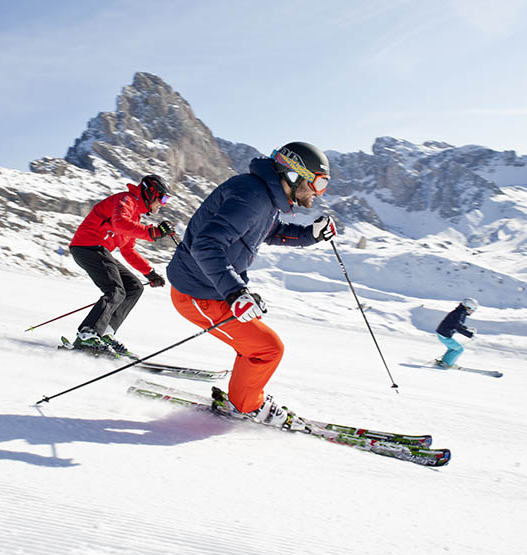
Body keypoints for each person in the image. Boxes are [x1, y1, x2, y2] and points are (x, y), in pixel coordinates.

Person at [166, 142, 337, 429]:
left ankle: (243, 398)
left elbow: (271, 232)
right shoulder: (252, 196)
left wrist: (311, 235)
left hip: (211, 288)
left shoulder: (264, 198)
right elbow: (206, 244)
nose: (319, 192)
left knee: (258, 345)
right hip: (198, 292)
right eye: (318, 183)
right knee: (267, 349)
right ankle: (245, 406)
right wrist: (235, 292)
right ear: (294, 175)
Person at [68, 174, 176, 357]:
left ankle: (105, 333)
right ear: (151, 193)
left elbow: (128, 250)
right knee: (115, 290)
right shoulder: (126, 200)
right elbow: (120, 223)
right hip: (87, 246)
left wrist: (149, 273)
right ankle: (88, 334)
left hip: (99, 250)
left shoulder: (136, 214)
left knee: (134, 287)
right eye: (163, 198)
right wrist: (154, 232)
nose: (163, 204)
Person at [434, 298, 479, 368]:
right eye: (472, 309)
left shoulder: (459, 312)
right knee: (459, 349)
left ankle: (445, 362)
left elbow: (456, 324)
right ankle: (446, 363)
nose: (472, 312)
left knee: (453, 349)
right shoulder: (459, 314)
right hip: (444, 334)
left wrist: (467, 328)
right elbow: (457, 327)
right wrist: (470, 335)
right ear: (468, 307)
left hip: (443, 333)